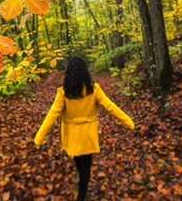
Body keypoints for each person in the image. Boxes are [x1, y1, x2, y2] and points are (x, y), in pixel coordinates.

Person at [34, 57, 135, 201]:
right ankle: (82, 194)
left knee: (78, 161)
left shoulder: (64, 92)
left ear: (68, 74)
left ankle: (81, 193)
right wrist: (128, 122)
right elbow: (111, 107)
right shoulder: (94, 89)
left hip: (72, 134)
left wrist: (40, 136)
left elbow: (52, 114)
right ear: (85, 73)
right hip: (88, 134)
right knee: (86, 164)